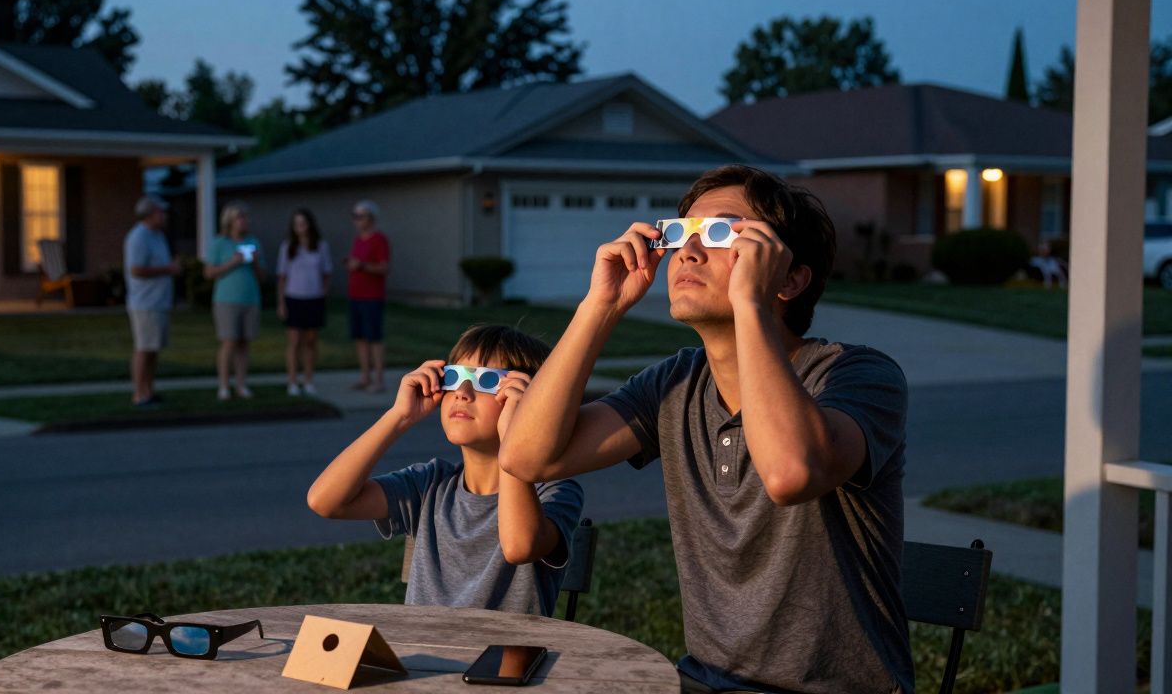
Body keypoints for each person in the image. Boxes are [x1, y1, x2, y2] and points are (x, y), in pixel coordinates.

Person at [501, 164, 913, 694]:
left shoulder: (857, 375)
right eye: (681, 234)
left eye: (720, 233)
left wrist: (751, 304)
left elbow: (790, 473)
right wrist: (601, 306)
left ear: (788, 277)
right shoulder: (675, 382)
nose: (688, 253)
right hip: (700, 681)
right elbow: (527, 457)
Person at [307, 324, 583, 617]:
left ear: (531, 403)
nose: (463, 393)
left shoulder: (554, 492)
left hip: (505, 661)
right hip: (426, 654)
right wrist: (399, 417)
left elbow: (520, 546)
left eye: (486, 381)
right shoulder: (430, 485)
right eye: (455, 377)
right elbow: (325, 501)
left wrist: (516, 434)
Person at [204, 201, 265, 401]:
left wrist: (254, 261)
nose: (244, 221)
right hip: (226, 300)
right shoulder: (220, 243)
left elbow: (263, 276)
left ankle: (241, 385)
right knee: (228, 342)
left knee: (244, 344)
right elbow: (209, 272)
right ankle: (223, 386)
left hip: (250, 299)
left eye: (245, 217)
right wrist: (233, 262)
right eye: (240, 217)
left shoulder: (254, 242)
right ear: (230, 220)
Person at [123, 196, 180, 408]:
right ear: (149, 214)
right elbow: (136, 269)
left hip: (160, 301)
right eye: (160, 212)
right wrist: (168, 269)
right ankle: (139, 394)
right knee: (144, 348)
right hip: (145, 303)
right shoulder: (138, 237)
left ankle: (149, 390)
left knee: (154, 349)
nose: (163, 216)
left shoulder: (157, 236)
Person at [277, 209, 334, 396]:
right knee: (294, 342)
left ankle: (308, 380)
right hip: (294, 297)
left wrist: (323, 293)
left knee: (310, 342)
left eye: (303, 222)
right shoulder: (288, 247)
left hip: (314, 298)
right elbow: (282, 277)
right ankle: (292, 381)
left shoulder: (321, 246)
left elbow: (326, 273)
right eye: (296, 223)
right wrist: (281, 303)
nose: (300, 226)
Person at [346, 200, 390, 392]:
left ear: (371, 218)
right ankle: (365, 377)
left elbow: (384, 267)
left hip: (372, 296)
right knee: (360, 338)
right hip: (355, 295)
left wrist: (362, 266)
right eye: (354, 216)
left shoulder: (379, 240)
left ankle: (378, 380)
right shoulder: (357, 240)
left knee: (374, 338)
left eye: (360, 216)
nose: (356, 220)